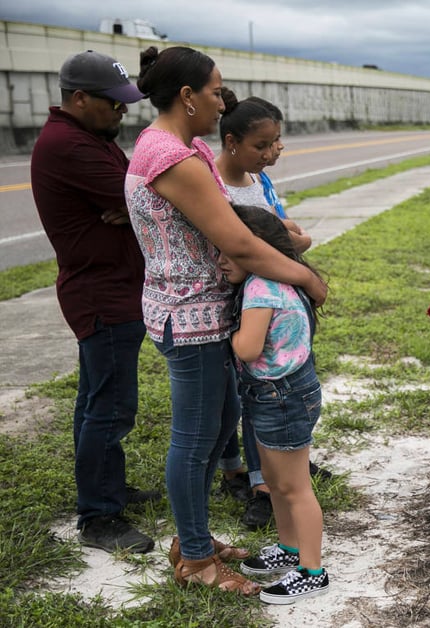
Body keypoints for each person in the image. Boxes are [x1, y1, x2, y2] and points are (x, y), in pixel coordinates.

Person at [126, 45, 327, 595]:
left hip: (200, 314)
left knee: (215, 428)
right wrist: (306, 278)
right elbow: (238, 240)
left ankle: (195, 538)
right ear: (187, 96)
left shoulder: (172, 146)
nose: (222, 102)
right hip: (189, 320)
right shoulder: (173, 157)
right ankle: (196, 559)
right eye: (215, 91)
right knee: (195, 440)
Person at [29, 50, 160, 555]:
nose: (122, 112)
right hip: (102, 293)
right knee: (110, 406)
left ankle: (105, 489)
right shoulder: (68, 145)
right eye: (113, 103)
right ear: (79, 98)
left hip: (114, 286)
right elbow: (154, 195)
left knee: (96, 401)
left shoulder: (90, 136)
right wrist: (136, 206)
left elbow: (138, 196)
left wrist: (132, 207)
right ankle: (99, 517)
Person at [213, 89, 323, 530]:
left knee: (274, 388)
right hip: (241, 296)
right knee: (248, 396)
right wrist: (289, 248)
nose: (271, 153)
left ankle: (274, 477)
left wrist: (290, 244)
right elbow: (280, 237)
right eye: (262, 146)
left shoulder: (259, 183)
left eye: (274, 143)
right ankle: (251, 476)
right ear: (230, 141)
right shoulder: (211, 184)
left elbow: (291, 230)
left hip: (269, 298)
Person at [221, 204, 329, 603]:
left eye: (227, 252)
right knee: (275, 482)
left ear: (256, 250)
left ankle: (313, 571)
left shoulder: (261, 289)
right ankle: (289, 548)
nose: (219, 261)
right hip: (273, 395)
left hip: (281, 398)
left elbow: (247, 348)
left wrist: (223, 334)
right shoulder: (272, 280)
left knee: (294, 487)